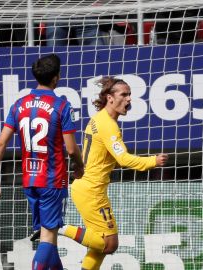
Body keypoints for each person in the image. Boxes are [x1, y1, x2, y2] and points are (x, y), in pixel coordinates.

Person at [0, 54, 84, 269]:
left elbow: (1, 143)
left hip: (30, 179)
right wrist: (80, 163)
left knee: (49, 237)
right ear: (56, 78)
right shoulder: (61, 106)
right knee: (48, 236)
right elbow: (70, 148)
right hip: (52, 179)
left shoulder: (19, 105)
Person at [58, 76, 167, 269]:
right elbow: (123, 159)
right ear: (110, 97)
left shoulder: (98, 118)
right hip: (91, 191)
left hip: (88, 188)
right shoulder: (109, 126)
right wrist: (153, 161)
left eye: (129, 95)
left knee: (99, 245)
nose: (129, 99)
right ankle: (59, 227)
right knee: (109, 244)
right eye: (123, 95)